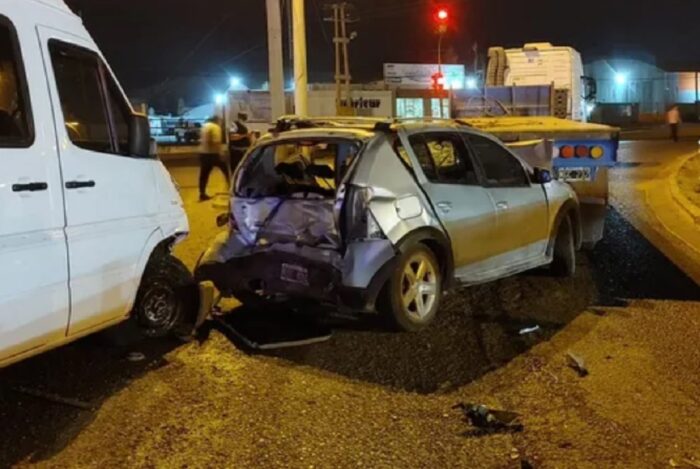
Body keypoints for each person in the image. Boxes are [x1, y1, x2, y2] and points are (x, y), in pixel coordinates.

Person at [198, 116, 229, 202]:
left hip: (203, 153)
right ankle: (232, 188)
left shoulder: (204, 126)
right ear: (217, 120)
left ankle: (202, 193)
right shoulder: (215, 127)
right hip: (213, 154)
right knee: (227, 171)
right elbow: (216, 141)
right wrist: (220, 152)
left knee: (204, 175)